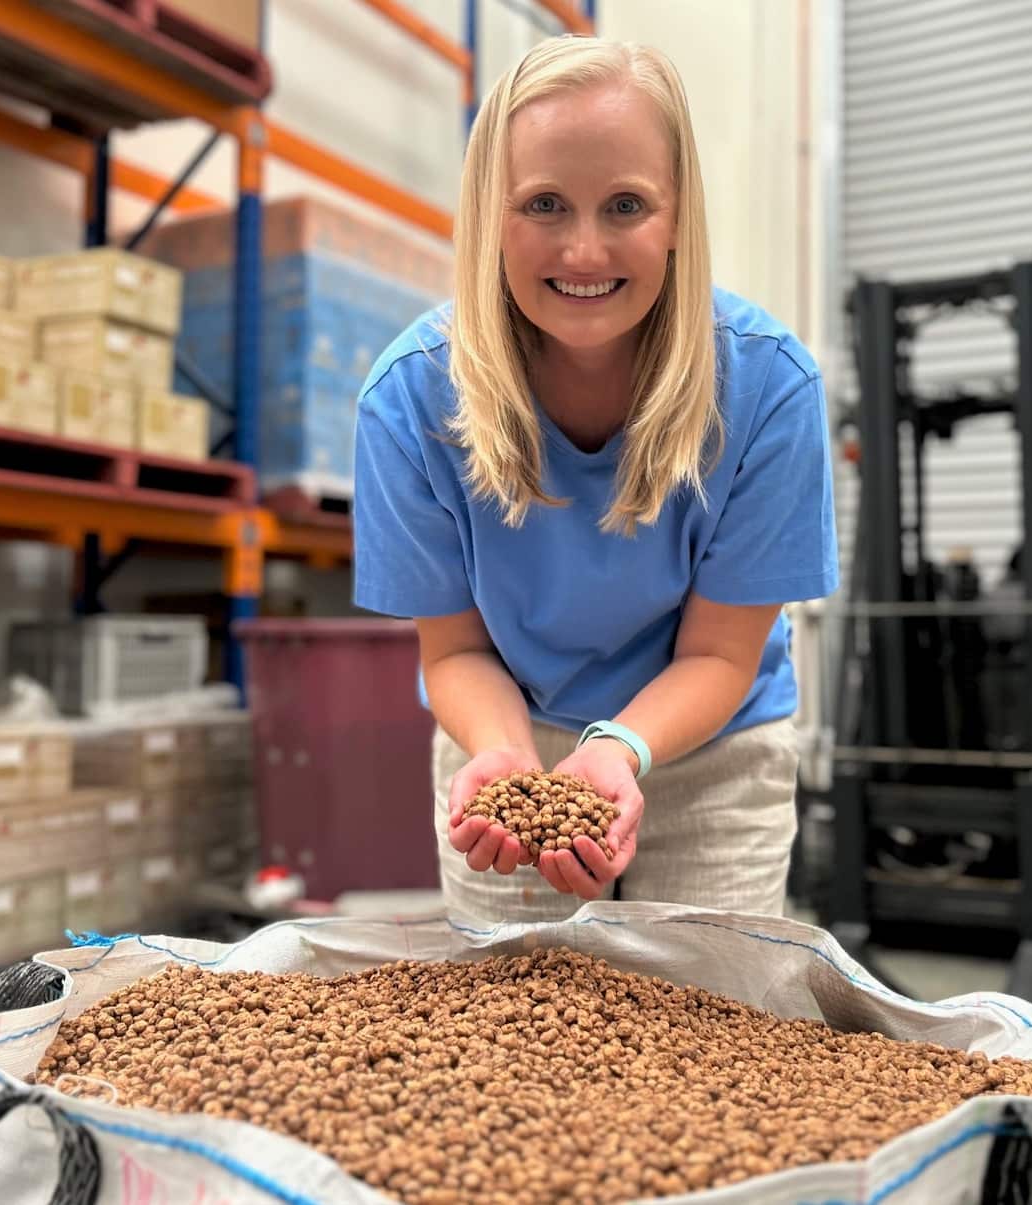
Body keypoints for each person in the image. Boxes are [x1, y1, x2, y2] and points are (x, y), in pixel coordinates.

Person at [353, 35, 838, 923]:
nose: (584, 250)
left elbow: (720, 654)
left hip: (714, 748)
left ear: (680, 215)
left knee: (710, 1036)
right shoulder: (411, 395)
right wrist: (505, 757)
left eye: (626, 205)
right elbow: (455, 650)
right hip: (509, 734)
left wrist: (616, 749)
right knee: (510, 1039)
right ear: (489, 214)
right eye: (544, 204)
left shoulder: (770, 389)